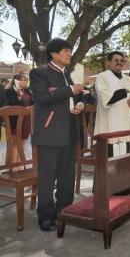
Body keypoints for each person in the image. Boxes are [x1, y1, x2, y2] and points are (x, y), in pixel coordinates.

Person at [30, 38, 84, 231]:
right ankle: (45, 218)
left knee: (67, 177)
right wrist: (70, 89)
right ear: (53, 53)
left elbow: (73, 98)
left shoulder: (66, 74)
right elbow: (43, 98)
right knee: (47, 178)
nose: (70, 54)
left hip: (69, 131)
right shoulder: (39, 73)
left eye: (70, 51)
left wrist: (79, 104)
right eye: (66, 51)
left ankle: (64, 212)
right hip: (49, 133)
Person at [94, 51, 130, 157]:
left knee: (127, 156)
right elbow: (105, 99)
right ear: (109, 63)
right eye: (116, 60)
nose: (119, 63)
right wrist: (124, 91)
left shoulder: (128, 79)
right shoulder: (102, 77)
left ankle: (126, 173)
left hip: (126, 123)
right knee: (110, 159)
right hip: (110, 122)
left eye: (121, 61)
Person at [3, 74, 34, 162]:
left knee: (23, 144)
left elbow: (32, 102)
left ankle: (21, 166)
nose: (24, 82)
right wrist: (19, 96)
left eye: (25, 80)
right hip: (14, 122)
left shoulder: (28, 91)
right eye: (21, 80)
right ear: (15, 81)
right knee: (14, 145)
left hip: (26, 121)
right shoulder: (9, 91)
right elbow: (8, 105)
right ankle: (14, 168)